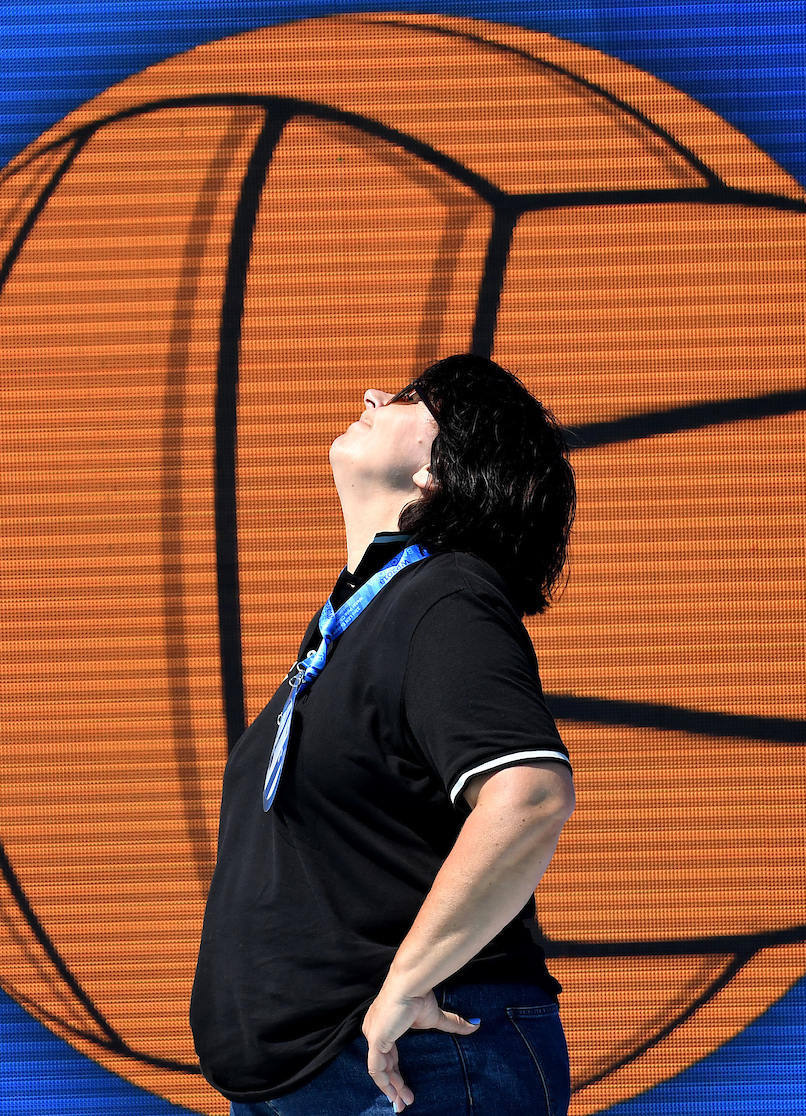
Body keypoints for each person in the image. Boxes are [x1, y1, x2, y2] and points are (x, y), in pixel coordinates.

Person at [190, 353, 578, 1116]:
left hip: (420, 1065)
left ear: (438, 473)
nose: (371, 394)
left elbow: (530, 795)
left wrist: (404, 984)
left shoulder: (447, 598)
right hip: (325, 1078)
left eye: (406, 397)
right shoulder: (363, 620)